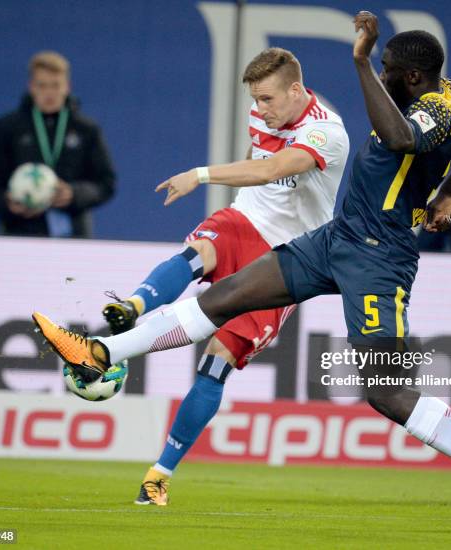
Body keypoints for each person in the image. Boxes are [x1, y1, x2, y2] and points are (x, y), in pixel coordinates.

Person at [33, 13, 451, 534]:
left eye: (389, 70)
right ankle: (99, 352)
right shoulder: (450, 94)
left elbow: (403, 138)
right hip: (336, 238)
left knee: (386, 391)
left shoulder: (436, 106)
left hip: (379, 258)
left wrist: (361, 61)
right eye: (379, 67)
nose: (382, 76)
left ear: (411, 78)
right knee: (225, 297)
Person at [80, 47, 349, 504]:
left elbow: (274, 169)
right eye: (256, 100)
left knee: (217, 357)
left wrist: (199, 175)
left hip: (290, 257)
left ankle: (160, 474)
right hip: (246, 222)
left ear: (297, 91)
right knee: (199, 250)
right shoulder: (263, 111)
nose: (260, 109)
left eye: (267, 99)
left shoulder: (328, 133)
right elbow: (257, 157)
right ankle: (133, 307)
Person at [0, 51, 116, 238]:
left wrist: (74, 194)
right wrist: (8, 202)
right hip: (18, 233)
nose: (49, 93)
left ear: (67, 87)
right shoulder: (7, 128)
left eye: (56, 85)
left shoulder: (86, 129)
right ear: (31, 87)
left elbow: (106, 184)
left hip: (73, 233)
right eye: (42, 86)